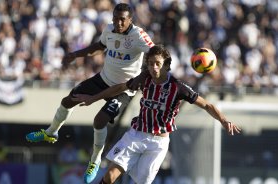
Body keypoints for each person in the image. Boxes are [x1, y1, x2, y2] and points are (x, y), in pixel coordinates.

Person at [71, 45, 241, 184]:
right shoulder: (143, 79)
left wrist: (223, 120)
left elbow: (207, 105)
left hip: (158, 144)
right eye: (151, 63)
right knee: (109, 177)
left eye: (158, 64)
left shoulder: (178, 87)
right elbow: (119, 88)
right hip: (136, 135)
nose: (153, 68)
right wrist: (93, 98)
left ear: (167, 65)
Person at [25, 3, 154, 184]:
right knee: (68, 100)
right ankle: (51, 132)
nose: (118, 22)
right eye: (115, 18)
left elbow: (157, 54)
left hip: (124, 89)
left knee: (99, 120)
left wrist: (143, 75)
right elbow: (99, 46)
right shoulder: (109, 30)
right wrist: (76, 54)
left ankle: (95, 160)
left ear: (130, 20)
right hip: (103, 80)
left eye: (122, 19)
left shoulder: (139, 36)